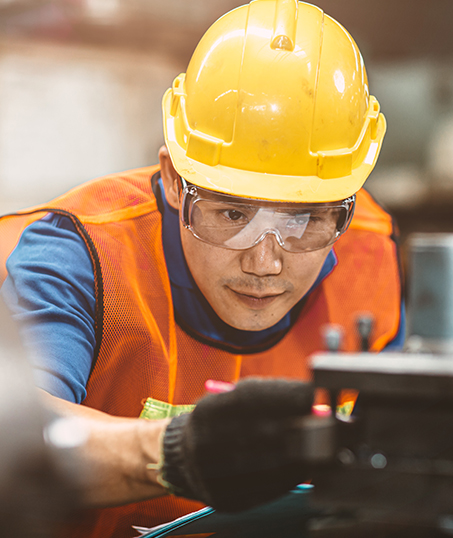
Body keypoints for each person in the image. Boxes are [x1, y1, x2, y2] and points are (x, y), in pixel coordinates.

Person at [0, 0, 404, 536]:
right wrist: (177, 451)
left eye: (305, 219)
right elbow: (22, 437)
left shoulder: (369, 255)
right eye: (232, 214)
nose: (265, 263)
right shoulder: (83, 257)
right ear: (173, 179)